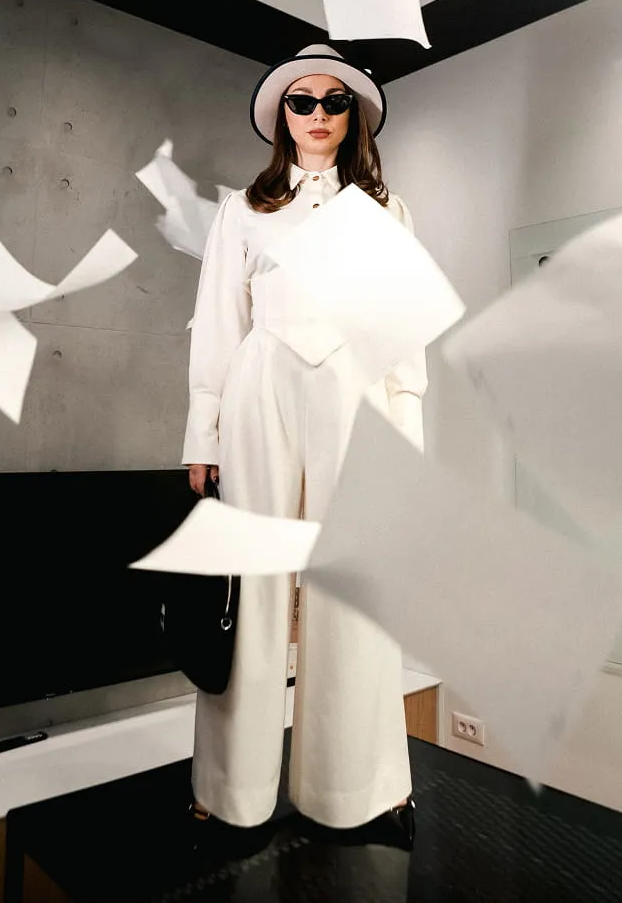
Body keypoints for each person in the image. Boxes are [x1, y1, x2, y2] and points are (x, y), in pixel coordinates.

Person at [182, 44, 427, 846]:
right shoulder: (243, 209)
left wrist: (409, 436)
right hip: (260, 390)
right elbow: (219, 323)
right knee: (251, 591)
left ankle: (357, 792)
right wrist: (202, 433)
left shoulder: (385, 209)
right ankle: (230, 793)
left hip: (355, 394)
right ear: (281, 116)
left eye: (333, 101)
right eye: (301, 101)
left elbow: (403, 332)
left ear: (352, 115)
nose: (317, 113)